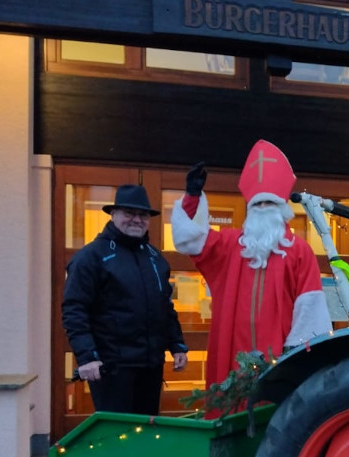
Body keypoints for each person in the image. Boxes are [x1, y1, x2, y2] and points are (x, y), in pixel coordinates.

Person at [171, 139, 332, 388]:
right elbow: (190, 239)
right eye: (258, 203)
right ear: (250, 208)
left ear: (282, 208)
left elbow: (309, 309)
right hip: (233, 352)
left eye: (270, 203)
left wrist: (296, 355)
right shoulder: (231, 245)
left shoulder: (299, 250)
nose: (264, 207)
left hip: (280, 356)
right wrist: (192, 197)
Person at [62, 184, 189, 415]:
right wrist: (86, 356)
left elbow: (165, 307)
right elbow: (75, 309)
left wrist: (177, 344)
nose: (136, 220)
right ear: (113, 215)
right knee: (116, 435)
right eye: (129, 213)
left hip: (151, 365)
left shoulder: (155, 259)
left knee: (146, 431)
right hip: (112, 366)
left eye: (142, 215)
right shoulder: (91, 257)